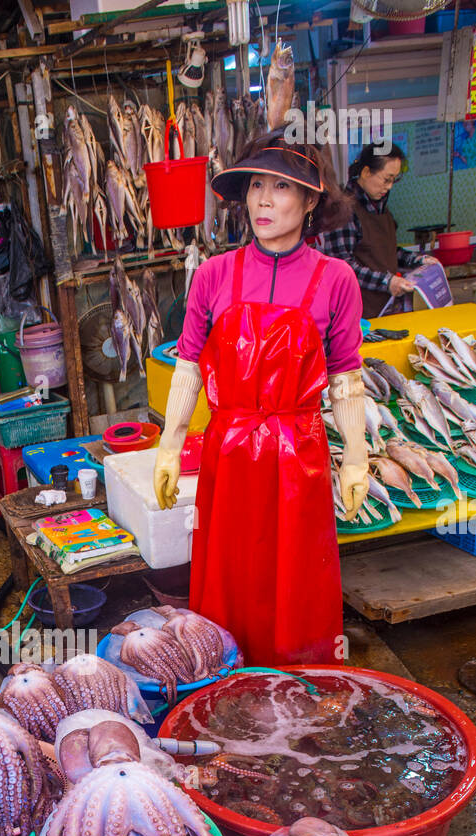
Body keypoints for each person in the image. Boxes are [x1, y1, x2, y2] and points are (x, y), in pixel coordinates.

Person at [153, 130, 367, 668]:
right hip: (229, 453)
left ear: (311, 200)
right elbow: (188, 367)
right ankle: (224, 680)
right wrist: (168, 446)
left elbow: (345, 375)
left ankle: (298, 685)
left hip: (300, 455)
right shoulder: (213, 274)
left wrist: (358, 454)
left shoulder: (337, 279)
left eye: (281, 187)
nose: (263, 200)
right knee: (230, 573)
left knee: (297, 575)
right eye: (255, 186)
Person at [323, 144, 438, 319]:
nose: (390, 187)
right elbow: (342, 266)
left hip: (387, 309)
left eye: (394, 180)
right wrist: (387, 281)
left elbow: (386, 251)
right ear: (366, 172)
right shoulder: (343, 210)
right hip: (358, 315)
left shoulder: (381, 208)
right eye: (387, 179)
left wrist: (418, 260)